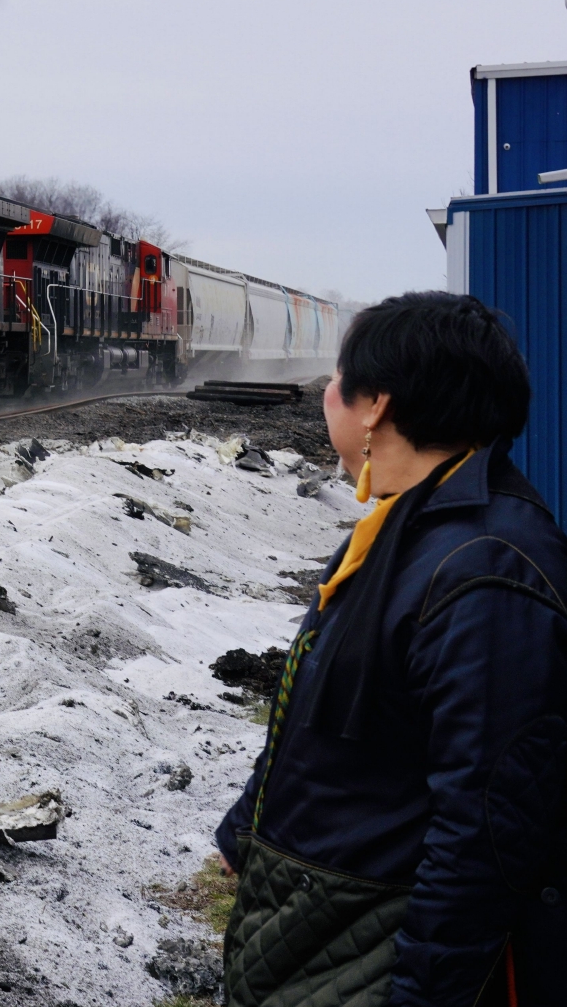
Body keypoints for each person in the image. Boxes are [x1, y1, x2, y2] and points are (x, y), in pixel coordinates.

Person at [215, 291, 567, 1006]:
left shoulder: (485, 571)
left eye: (337, 381)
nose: (327, 397)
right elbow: (317, 700)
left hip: (372, 941)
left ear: (376, 405)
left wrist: (421, 993)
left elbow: (486, 830)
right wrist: (246, 828)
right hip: (319, 919)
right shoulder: (408, 532)